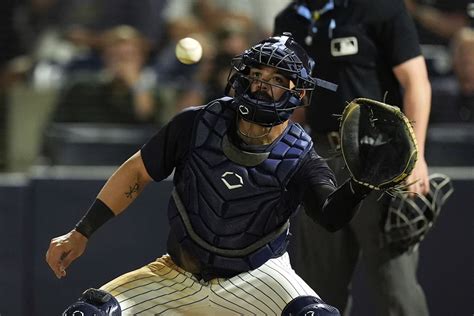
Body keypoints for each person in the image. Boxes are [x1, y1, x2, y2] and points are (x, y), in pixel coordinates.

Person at [44, 34, 378, 315]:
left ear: (298, 93)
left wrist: (361, 184)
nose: (263, 85)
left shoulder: (302, 154)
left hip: (259, 277)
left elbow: (331, 217)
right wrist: (81, 232)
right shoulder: (196, 123)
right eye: (256, 73)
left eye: (277, 79)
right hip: (175, 274)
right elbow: (137, 172)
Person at [274, 1, 432, 315]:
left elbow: (416, 82)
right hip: (318, 155)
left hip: (379, 155)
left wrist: (415, 156)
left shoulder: (379, 7)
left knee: (395, 289)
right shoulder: (289, 18)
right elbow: (294, 100)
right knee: (317, 289)